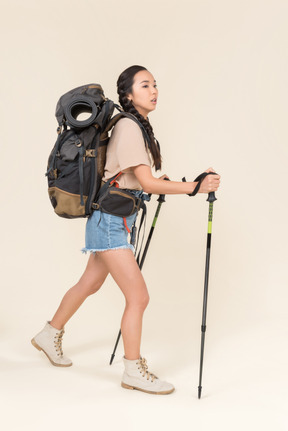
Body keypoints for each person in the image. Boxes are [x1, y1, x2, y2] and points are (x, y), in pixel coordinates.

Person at [31, 65, 221, 395]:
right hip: (109, 222)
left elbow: (134, 181)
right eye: (145, 85)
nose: (154, 90)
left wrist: (181, 184)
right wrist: (194, 187)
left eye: (155, 84)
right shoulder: (131, 127)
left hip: (112, 218)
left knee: (89, 283)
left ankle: (49, 334)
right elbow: (145, 182)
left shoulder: (136, 126)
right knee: (139, 296)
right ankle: (133, 369)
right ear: (129, 95)